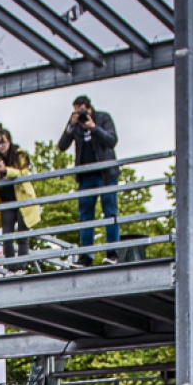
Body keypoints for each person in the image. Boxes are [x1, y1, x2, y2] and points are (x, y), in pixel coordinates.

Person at [58, 94, 120, 264]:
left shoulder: (103, 118)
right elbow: (62, 146)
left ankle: (112, 253)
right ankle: (86, 256)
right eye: (76, 112)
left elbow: (111, 140)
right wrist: (70, 126)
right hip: (86, 176)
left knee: (110, 212)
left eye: (81, 111)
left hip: (106, 174)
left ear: (89, 108)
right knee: (85, 216)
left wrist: (93, 128)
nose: (80, 115)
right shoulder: (75, 125)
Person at [0, 125, 41, 264]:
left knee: (22, 235)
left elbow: (24, 173)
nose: (1, 146)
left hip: (22, 199)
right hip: (6, 202)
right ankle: (10, 268)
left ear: (9, 141)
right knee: (7, 237)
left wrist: (6, 171)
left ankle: (21, 266)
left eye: (3, 142)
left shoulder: (19, 154)